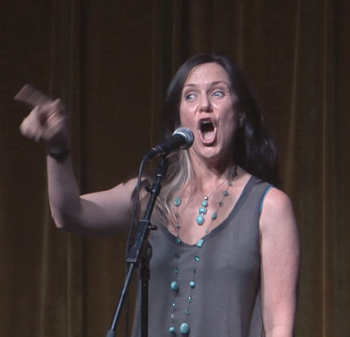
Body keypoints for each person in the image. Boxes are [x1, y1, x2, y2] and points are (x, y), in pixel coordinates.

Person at [18, 53, 299, 336]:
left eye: (217, 93)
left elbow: (279, 327)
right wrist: (57, 150)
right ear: (179, 117)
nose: (204, 105)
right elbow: (70, 214)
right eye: (190, 96)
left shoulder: (269, 206)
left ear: (239, 114)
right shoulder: (151, 195)